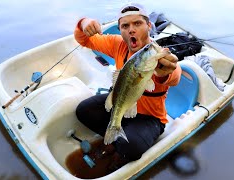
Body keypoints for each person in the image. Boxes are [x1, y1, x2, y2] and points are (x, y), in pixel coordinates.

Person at [74, 3, 181, 171]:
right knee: (83, 110)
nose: (131, 30)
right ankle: (115, 136)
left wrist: (165, 73)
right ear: (120, 30)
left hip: (150, 118)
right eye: (125, 26)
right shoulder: (118, 44)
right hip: (121, 103)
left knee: (130, 146)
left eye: (137, 23)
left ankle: (116, 148)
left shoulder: (157, 54)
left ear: (149, 26)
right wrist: (84, 23)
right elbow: (84, 40)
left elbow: (173, 75)